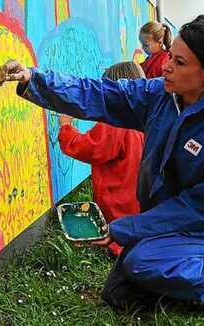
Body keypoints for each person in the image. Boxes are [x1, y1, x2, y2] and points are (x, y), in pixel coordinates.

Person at [0, 15, 204, 307]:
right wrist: (34, 79)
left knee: (142, 263)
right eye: (170, 56)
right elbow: (100, 93)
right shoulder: (160, 95)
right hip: (172, 213)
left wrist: (128, 227)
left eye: (180, 63)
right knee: (119, 295)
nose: (166, 66)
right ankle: (182, 273)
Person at [57, 61, 146, 256]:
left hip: (119, 197)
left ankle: (121, 252)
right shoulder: (143, 114)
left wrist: (66, 126)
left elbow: (90, 148)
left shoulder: (116, 122)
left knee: (121, 239)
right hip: (137, 195)